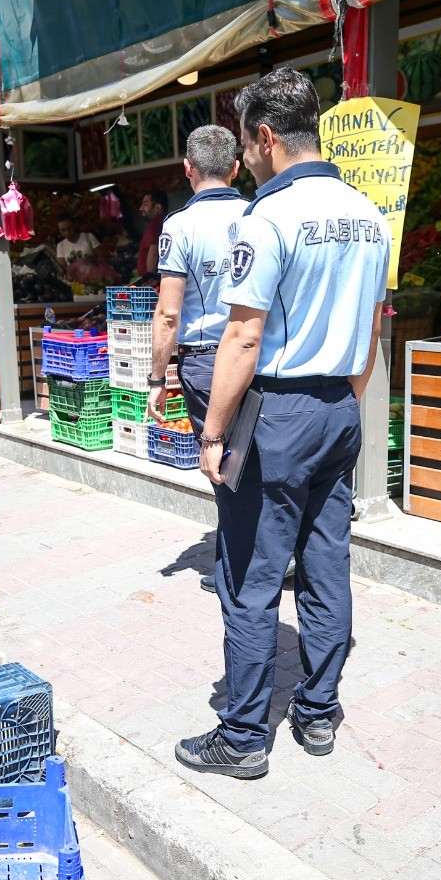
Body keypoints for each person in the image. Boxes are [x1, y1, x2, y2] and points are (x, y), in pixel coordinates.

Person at [174, 68, 389, 781]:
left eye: (248, 142)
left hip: (278, 413)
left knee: (250, 576)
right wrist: (349, 398)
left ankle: (242, 736)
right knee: (327, 563)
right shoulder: (368, 214)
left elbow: (241, 336)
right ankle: (319, 712)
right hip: (338, 407)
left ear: (265, 137)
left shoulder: (266, 220)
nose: (248, 156)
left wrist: (212, 435)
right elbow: (372, 330)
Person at [148, 125, 249, 594]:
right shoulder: (259, 213)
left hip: (208, 362)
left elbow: (169, 313)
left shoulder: (179, 225)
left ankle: (238, 571)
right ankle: (269, 557)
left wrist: (156, 378)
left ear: (187, 169)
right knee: (258, 462)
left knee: (222, 465)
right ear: (236, 166)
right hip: (260, 356)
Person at [135, 189, 168, 277]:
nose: (141, 208)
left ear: (157, 207)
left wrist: (149, 279)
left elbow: (154, 252)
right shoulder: (166, 221)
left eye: (145, 204)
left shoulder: (155, 224)